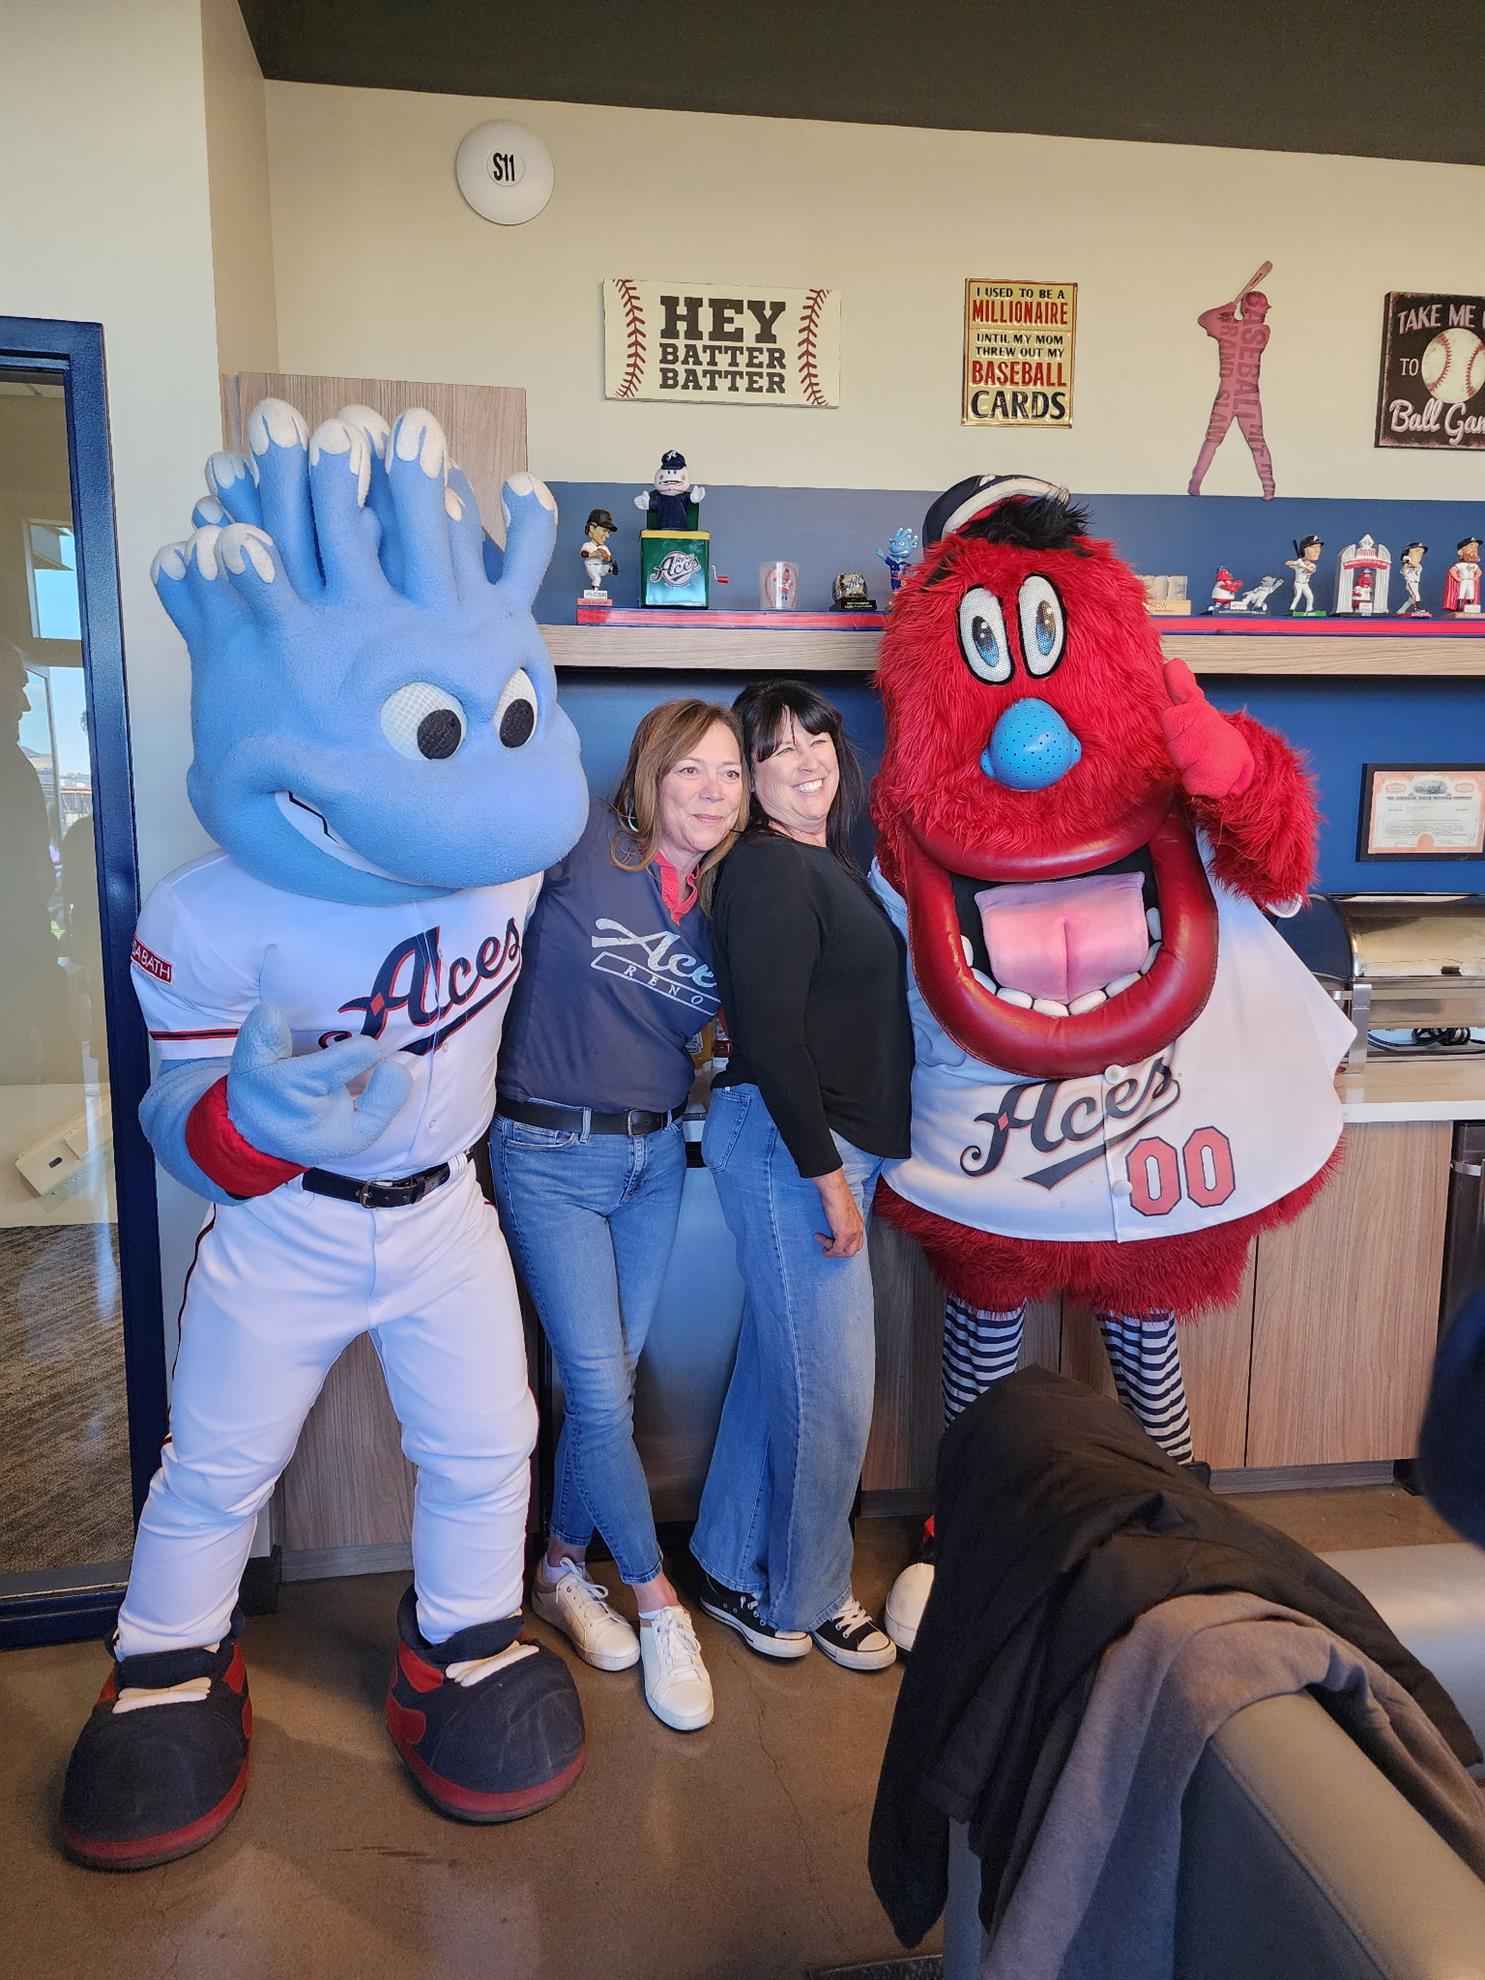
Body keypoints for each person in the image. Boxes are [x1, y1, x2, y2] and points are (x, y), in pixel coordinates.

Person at [493, 699, 746, 1731]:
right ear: (648, 776)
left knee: (610, 1389)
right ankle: (657, 1602)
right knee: (600, 1396)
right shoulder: (581, 844)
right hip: (547, 1154)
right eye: (689, 769)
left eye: (729, 773)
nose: (710, 791)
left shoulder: (729, 903)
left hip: (656, 1161)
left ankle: (561, 1566)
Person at [692, 680, 913, 1671]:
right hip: (794, 1151)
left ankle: (724, 1561)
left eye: (815, 740)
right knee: (830, 1395)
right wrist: (826, 1179)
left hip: (818, 1146)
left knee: (776, 1373)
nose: (806, 760)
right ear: (751, 779)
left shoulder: (826, 864)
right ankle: (811, 1595)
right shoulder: (773, 870)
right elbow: (774, 1038)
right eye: (777, 750)